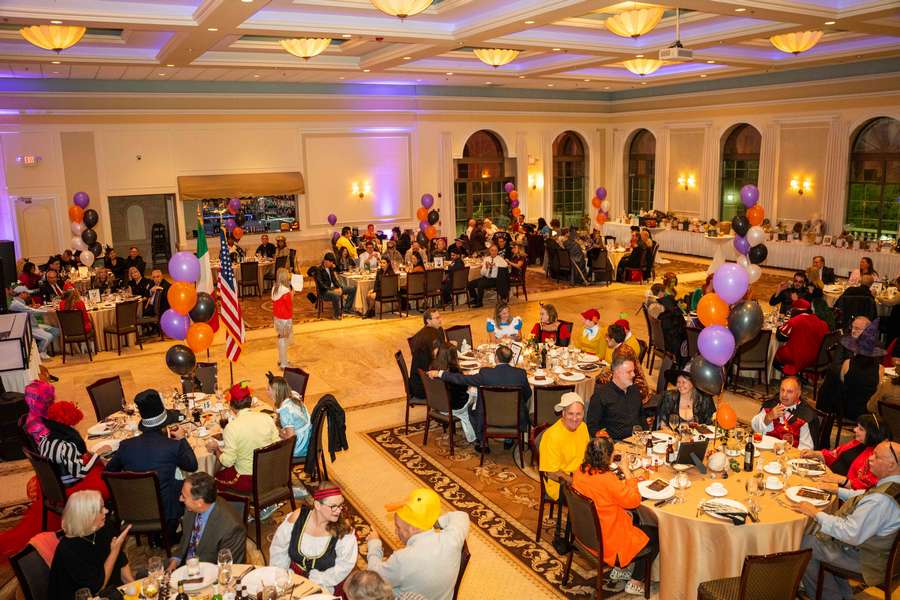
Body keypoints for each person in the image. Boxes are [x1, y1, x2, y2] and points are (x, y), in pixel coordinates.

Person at [795, 441, 900, 599]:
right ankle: (841, 595)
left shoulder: (880, 501)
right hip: (882, 554)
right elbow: (865, 496)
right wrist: (837, 490)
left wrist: (815, 513)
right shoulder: (893, 486)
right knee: (820, 533)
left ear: (891, 465)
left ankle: (828, 596)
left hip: (868, 561)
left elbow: (849, 533)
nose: (870, 458)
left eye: (876, 456)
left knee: (805, 544)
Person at [572, 436, 659, 597]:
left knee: (634, 518)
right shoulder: (607, 479)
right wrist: (627, 471)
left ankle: (621, 570)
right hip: (608, 541)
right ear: (607, 457)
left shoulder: (580, 471)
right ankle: (635, 581)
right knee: (655, 533)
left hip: (586, 534)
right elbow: (633, 501)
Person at [107, 389, 197, 528]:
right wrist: (182, 438)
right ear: (165, 424)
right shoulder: (173, 446)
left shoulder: (125, 446)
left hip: (133, 510)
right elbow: (192, 465)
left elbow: (110, 470)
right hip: (167, 512)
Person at [367, 488, 469, 600]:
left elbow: (373, 577)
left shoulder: (402, 559)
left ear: (413, 528)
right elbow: (461, 515)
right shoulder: (452, 539)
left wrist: (374, 543)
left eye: (398, 527)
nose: (395, 532)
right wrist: (430, 521)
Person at [430, 345, 531, 452]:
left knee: (471, 410)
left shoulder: (485, 373)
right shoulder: (521, 374)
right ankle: (509, 440)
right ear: (511, 359)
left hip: (488, 418)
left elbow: (462, 379)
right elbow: (528, 394)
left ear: (496, 358)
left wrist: (441, 373)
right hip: (514, 417)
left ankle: (483, 442)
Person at [270, 481, 359, 595]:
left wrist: (317, 580)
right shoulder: (298, 517)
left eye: (340, 505)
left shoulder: (344, 532)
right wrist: (282, 575)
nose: (338, 510)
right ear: (317, 505)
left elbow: (344, 567)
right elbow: (279, 548)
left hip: (323, 583)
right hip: (292, 577)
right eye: (333, 506)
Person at [48, 490, 133, 599]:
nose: (106, 511)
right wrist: (114, 551)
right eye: (100, 509)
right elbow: (97, 587)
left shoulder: (104, 526)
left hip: (109, 592)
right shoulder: (68, 550)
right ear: (87, 517)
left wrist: (134, 588)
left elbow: (121, 562)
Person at [207, 382, 280, 504]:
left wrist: (216, 449)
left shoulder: (232, 428)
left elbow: (227, 462)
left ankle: (238, 508)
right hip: (270, 472)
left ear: (231, 406)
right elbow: (277, 444)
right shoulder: (267, 418)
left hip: (247, 479)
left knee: (211, 479)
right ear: (250, 402)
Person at [168, 472, 246, 571]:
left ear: (199, 503)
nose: (180, 499)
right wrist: (175, 560)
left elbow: (228, 570)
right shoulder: (191, 508)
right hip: (186, 565)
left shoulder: (232, 528)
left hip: (209, 572)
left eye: (184, 496)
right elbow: (187, 538)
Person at [801, 414, 890, 491]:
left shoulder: (876, 457)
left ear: (872, 434)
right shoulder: (857, 442)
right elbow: (833, 455)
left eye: (860, 429)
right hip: (828, 477)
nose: (855, 429)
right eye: (857, 426)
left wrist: (841, 480)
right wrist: (815, 454)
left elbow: (865, 486)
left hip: (840, 491)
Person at [40, 400, 111, 488]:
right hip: (71, 485)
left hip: (54, 481)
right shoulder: (67, 446)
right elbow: (81, 473)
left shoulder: (44, 439)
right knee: (108, 470)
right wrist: (97, 454)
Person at [539, 392, 590, 503]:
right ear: (563, 413)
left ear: (583, 414)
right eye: (570, 414)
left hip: (581, 475)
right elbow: (551, 473)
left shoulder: (583, 427)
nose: (575, 418)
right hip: (560, 484)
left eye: (578, 414)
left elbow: (587, 454)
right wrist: (576, 482)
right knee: (598, 498)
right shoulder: (552, 436)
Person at [750, 376, 819, 450]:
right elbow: (755, 428)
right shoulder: (771, 404)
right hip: (767, 449)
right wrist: (767, 418)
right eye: (782, 390)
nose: (784, 395)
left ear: (798, 394)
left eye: (789, 392)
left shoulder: (807, 416)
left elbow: (806, 449)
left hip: (790, 454)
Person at [837, 318, 885, 421]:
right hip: (867, 412)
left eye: (857, 328)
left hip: (847, 407)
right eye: (852, 327)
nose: (853, 331)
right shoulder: (880, 369)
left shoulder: (847, 363)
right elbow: (878, 389)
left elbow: (843, 379)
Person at [429, 342, 477, 443]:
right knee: (477, 395)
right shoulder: (454, 371)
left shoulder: (433, 366)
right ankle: (479, 431)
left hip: (438, 405)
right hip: (455, 407)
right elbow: (464, 388)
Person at [587, 355, 644, 439]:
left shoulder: (635, 390)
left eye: (633, 371)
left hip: (638, 439)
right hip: (616, 442)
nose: (633, 374)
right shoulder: (600, 396)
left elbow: (641, 417)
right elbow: (592, 428)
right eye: (629, 372)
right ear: (617, 372)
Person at [773, 299, 829, 376]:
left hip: (798, 358)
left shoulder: (796, 320)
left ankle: (790, 377)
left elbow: (780, 337)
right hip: (817, 358)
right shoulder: (823, 324)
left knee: (774, 357)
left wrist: (778, 326)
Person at [654, 362, 715, 430]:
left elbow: (711, 424)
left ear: (693, 383)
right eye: (678, 382)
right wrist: (673, 434)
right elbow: (662, 425)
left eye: (684, 382)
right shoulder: (669, 398)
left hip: (697, 436)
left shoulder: (704, 400)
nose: (680, 385)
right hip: (672, 435)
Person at [9, 285, 60, 359]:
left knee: (56, 331)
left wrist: (34, 307)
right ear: (21, 293)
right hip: (28, 327)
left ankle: (41, 346)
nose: (28, 295)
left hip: (34, 325)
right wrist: (47, 311)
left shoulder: (19, 302)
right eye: (27, 293)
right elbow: (32, 311)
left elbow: (28, 310)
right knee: (48, 337)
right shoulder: (15, 304)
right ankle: (40, 352)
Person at [271, 375, 312, 460]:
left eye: (268, 389)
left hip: (300, 447)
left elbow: (290, 440)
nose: (266, 392)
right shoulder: (293, 396)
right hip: (309, 437)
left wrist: (278, 431)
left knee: (270, 444)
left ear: (276, 393)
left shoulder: (285, 411)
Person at [409, 309, 446, 402]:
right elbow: (440, 359)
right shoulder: (431, 335)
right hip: (424, 386)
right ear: (428, 321)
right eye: (437, 318)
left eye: (440, 317)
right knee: (455, 381)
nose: (440, 320)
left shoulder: (428, 331)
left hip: (417, 382)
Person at [316, 252, 357, 318]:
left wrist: (339, 287)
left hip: (334, 288)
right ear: (325, 260)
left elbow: (334, 280)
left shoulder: (330, 268)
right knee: (335, 295)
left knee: (352, 289)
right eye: (330, 262)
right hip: (325, 291)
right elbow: (321, 284)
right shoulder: (319, 270)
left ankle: (346, 309)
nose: (332, 263)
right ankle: (337, 315)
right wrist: (332, 290)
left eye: (332, 262)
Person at [272, 267, 294, 368]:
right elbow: (289, 305)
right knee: (284, 340)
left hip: (277, 317)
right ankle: (284, 363)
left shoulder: (275, 288)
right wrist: (292, 294)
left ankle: (281, 359)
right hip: (285, 318)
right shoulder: (285, 291)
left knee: (281, 339)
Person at [23, 379, 54, 447]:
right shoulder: (36, 424)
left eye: (50, 397)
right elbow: (50, 446)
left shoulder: (42, 412)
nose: (50, 400)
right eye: (46, 399)